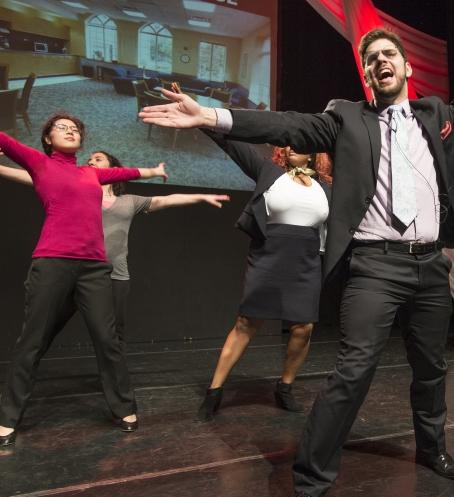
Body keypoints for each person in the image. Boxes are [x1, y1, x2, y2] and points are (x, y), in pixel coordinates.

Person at [140, 25, 454, 497]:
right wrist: (210, 115)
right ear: (366, 75)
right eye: (371, 58)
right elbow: (286, 125)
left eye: (389, 55)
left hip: (431, 265)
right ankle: (310, 482)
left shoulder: (438, 114)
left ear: (406, 68)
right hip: (375, 265)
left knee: (431, 370)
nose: (381, 61)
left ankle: (433, 449)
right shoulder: (346, 118)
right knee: (353, 372)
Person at [0, 113, 167, 446]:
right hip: (53, 262)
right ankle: (7, 417)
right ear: (47, 139)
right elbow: (7, 142)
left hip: (94, 267)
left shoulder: (90, 172)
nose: (70, 130)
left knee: (108, 340)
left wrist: (153, 171)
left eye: (75, 128)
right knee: (32, 339)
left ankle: (123, 407)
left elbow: (125, 172)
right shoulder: (40, 163)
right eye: (62, 127)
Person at [0, 150, 230, 344]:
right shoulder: (75, 191)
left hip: (115, 275)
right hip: (76, 269)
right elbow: (34, 176)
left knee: (112, 334)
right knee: (46, 328)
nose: (91, 161)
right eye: (89, 159)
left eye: (98, 158)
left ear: (113, 168)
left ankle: (114, 380)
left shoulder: (129, 202)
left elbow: (167, 199)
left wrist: (201, 196)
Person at [196, 138, 331, 420]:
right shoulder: (270, 173)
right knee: (247, 322)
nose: (293, 148)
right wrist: (204, 118)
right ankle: (215, 391)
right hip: (269, 255)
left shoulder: (326, 187)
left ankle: (285, 387)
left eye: (301, 144)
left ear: (313, 153)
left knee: (303, 327)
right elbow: (233, 145)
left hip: (306, 260)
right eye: (289, 145)